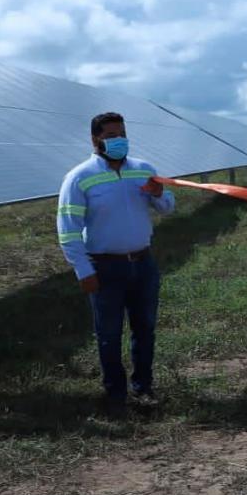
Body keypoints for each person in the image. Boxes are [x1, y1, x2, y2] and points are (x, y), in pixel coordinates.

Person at [56, 112, 175, 417]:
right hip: (105, 267)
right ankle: (116, 394)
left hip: (142, 262)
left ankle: (143, 387)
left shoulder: (143, 170)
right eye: (111, 136)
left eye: (122, 133)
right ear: (95, 139)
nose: (119, 140)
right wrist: (83, 269)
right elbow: (68, 228)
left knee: (145, 329)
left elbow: (167, 209)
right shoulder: (79, 177)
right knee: (109, 334)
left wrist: (160, 194)